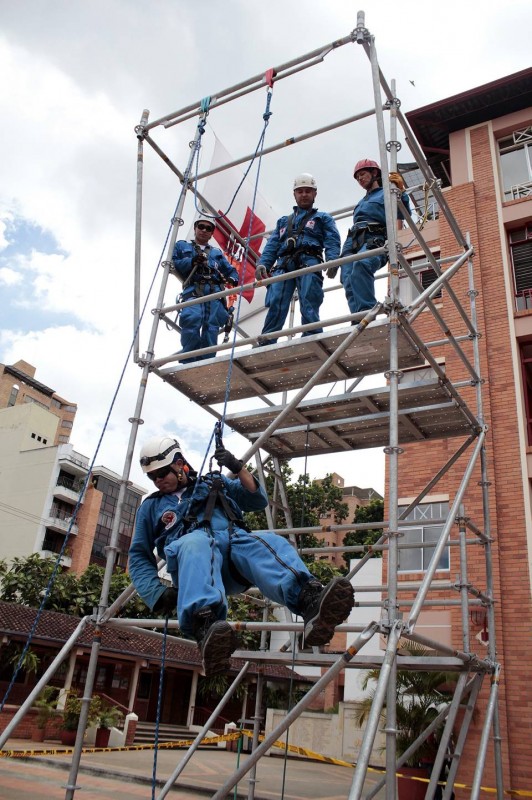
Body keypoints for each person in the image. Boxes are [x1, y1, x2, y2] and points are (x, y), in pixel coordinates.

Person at [128, 435, 354, 676]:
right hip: (196, 566)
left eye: (162, 473)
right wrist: (156, 593)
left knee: (271, 541)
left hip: (233, 549)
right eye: (152, 477)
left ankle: (309, 602)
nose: (158, 480)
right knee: (196, 543)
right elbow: (139, 554)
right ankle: (206, 626)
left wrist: (238, 468)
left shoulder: (212, 484)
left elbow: (256, 500)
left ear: (179, 463)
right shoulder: (151, 508)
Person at [255, 174, 341, 344]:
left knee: (310, 299)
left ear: (314, 194)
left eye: (308, 191)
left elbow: (332, 239)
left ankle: (311, 336)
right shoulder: (283, 222)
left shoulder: (322, 218)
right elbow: (271, 246)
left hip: (309, 261)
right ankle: (267, 341)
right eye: (300, 191)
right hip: (284, 264)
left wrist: (332, 260)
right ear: (294, 194)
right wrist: (263, 264)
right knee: (276, 302)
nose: (304, 195)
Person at [327, 160, 412, 314]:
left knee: (362, 264)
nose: (360, 179)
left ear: (374, 173)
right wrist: (337, 260)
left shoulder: (387, 192)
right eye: (357, 177)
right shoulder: (361, 202)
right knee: (346, 277)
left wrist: (401, 191)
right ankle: (358, 316)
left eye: (363, 174)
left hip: (375, 237)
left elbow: (403, 212)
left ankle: (368, 312)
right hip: (353, 240)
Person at [171, 218, 240, 363]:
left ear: (211, 234)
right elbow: (174, 263)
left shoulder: (216, 253)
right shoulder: (182, 246)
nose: (204, 230)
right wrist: (192, 261)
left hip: (214, 294)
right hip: (194, 290)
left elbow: (231, 271)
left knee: (211, 328)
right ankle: (188, 360)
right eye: (201, 227)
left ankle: (206, 362)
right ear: (195, 228)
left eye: (208, 229)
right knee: (191, 319)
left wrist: (233, 279)